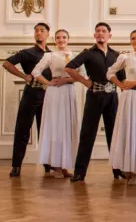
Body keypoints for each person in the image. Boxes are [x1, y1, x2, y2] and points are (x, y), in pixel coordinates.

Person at [65, 22, 125, 182]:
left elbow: (122, 78)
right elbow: (69, 68)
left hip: (112, 97)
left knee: (114, 133)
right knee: (87, 133)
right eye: (97, 31)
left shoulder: (116, 55)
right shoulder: (88, 53)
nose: (100, 33)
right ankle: (80, 172)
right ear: (94, 35)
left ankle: (118, 169)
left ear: (109, 35)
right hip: (94, 96)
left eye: (103, 31)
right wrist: (85, 82)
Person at [3, 23, 52, 177]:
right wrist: (23, 76)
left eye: (42, 31)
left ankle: (48, 166)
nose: (38, 33)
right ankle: (16, 166)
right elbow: (6, 63)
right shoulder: (28, 52)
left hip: (47, 94)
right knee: (23, 129)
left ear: (47, 34)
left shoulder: (52, 54)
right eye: (36, 31)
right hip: (31, 94)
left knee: (45, 130)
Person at [107, 30, 136, 186]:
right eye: (133, 38)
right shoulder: (125, 57)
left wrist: (134, 83)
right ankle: (129, 169)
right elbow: (110, 72)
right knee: (129, 130)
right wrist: (120, 84)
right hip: (129, 98)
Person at [31, 29, 80, 178]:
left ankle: (65, 166)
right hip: (55, 93)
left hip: (69, 92)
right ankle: (56, 166)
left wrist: (67, 80)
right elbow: (35, 72)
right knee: (56, 126)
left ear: (68, 39)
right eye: (58, 38)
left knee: (67, 127)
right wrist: (47, 83)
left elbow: (81, 76)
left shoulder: (75, 56)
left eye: (64, 37)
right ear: (54, 40)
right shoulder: (49, 55)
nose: (61, 40)